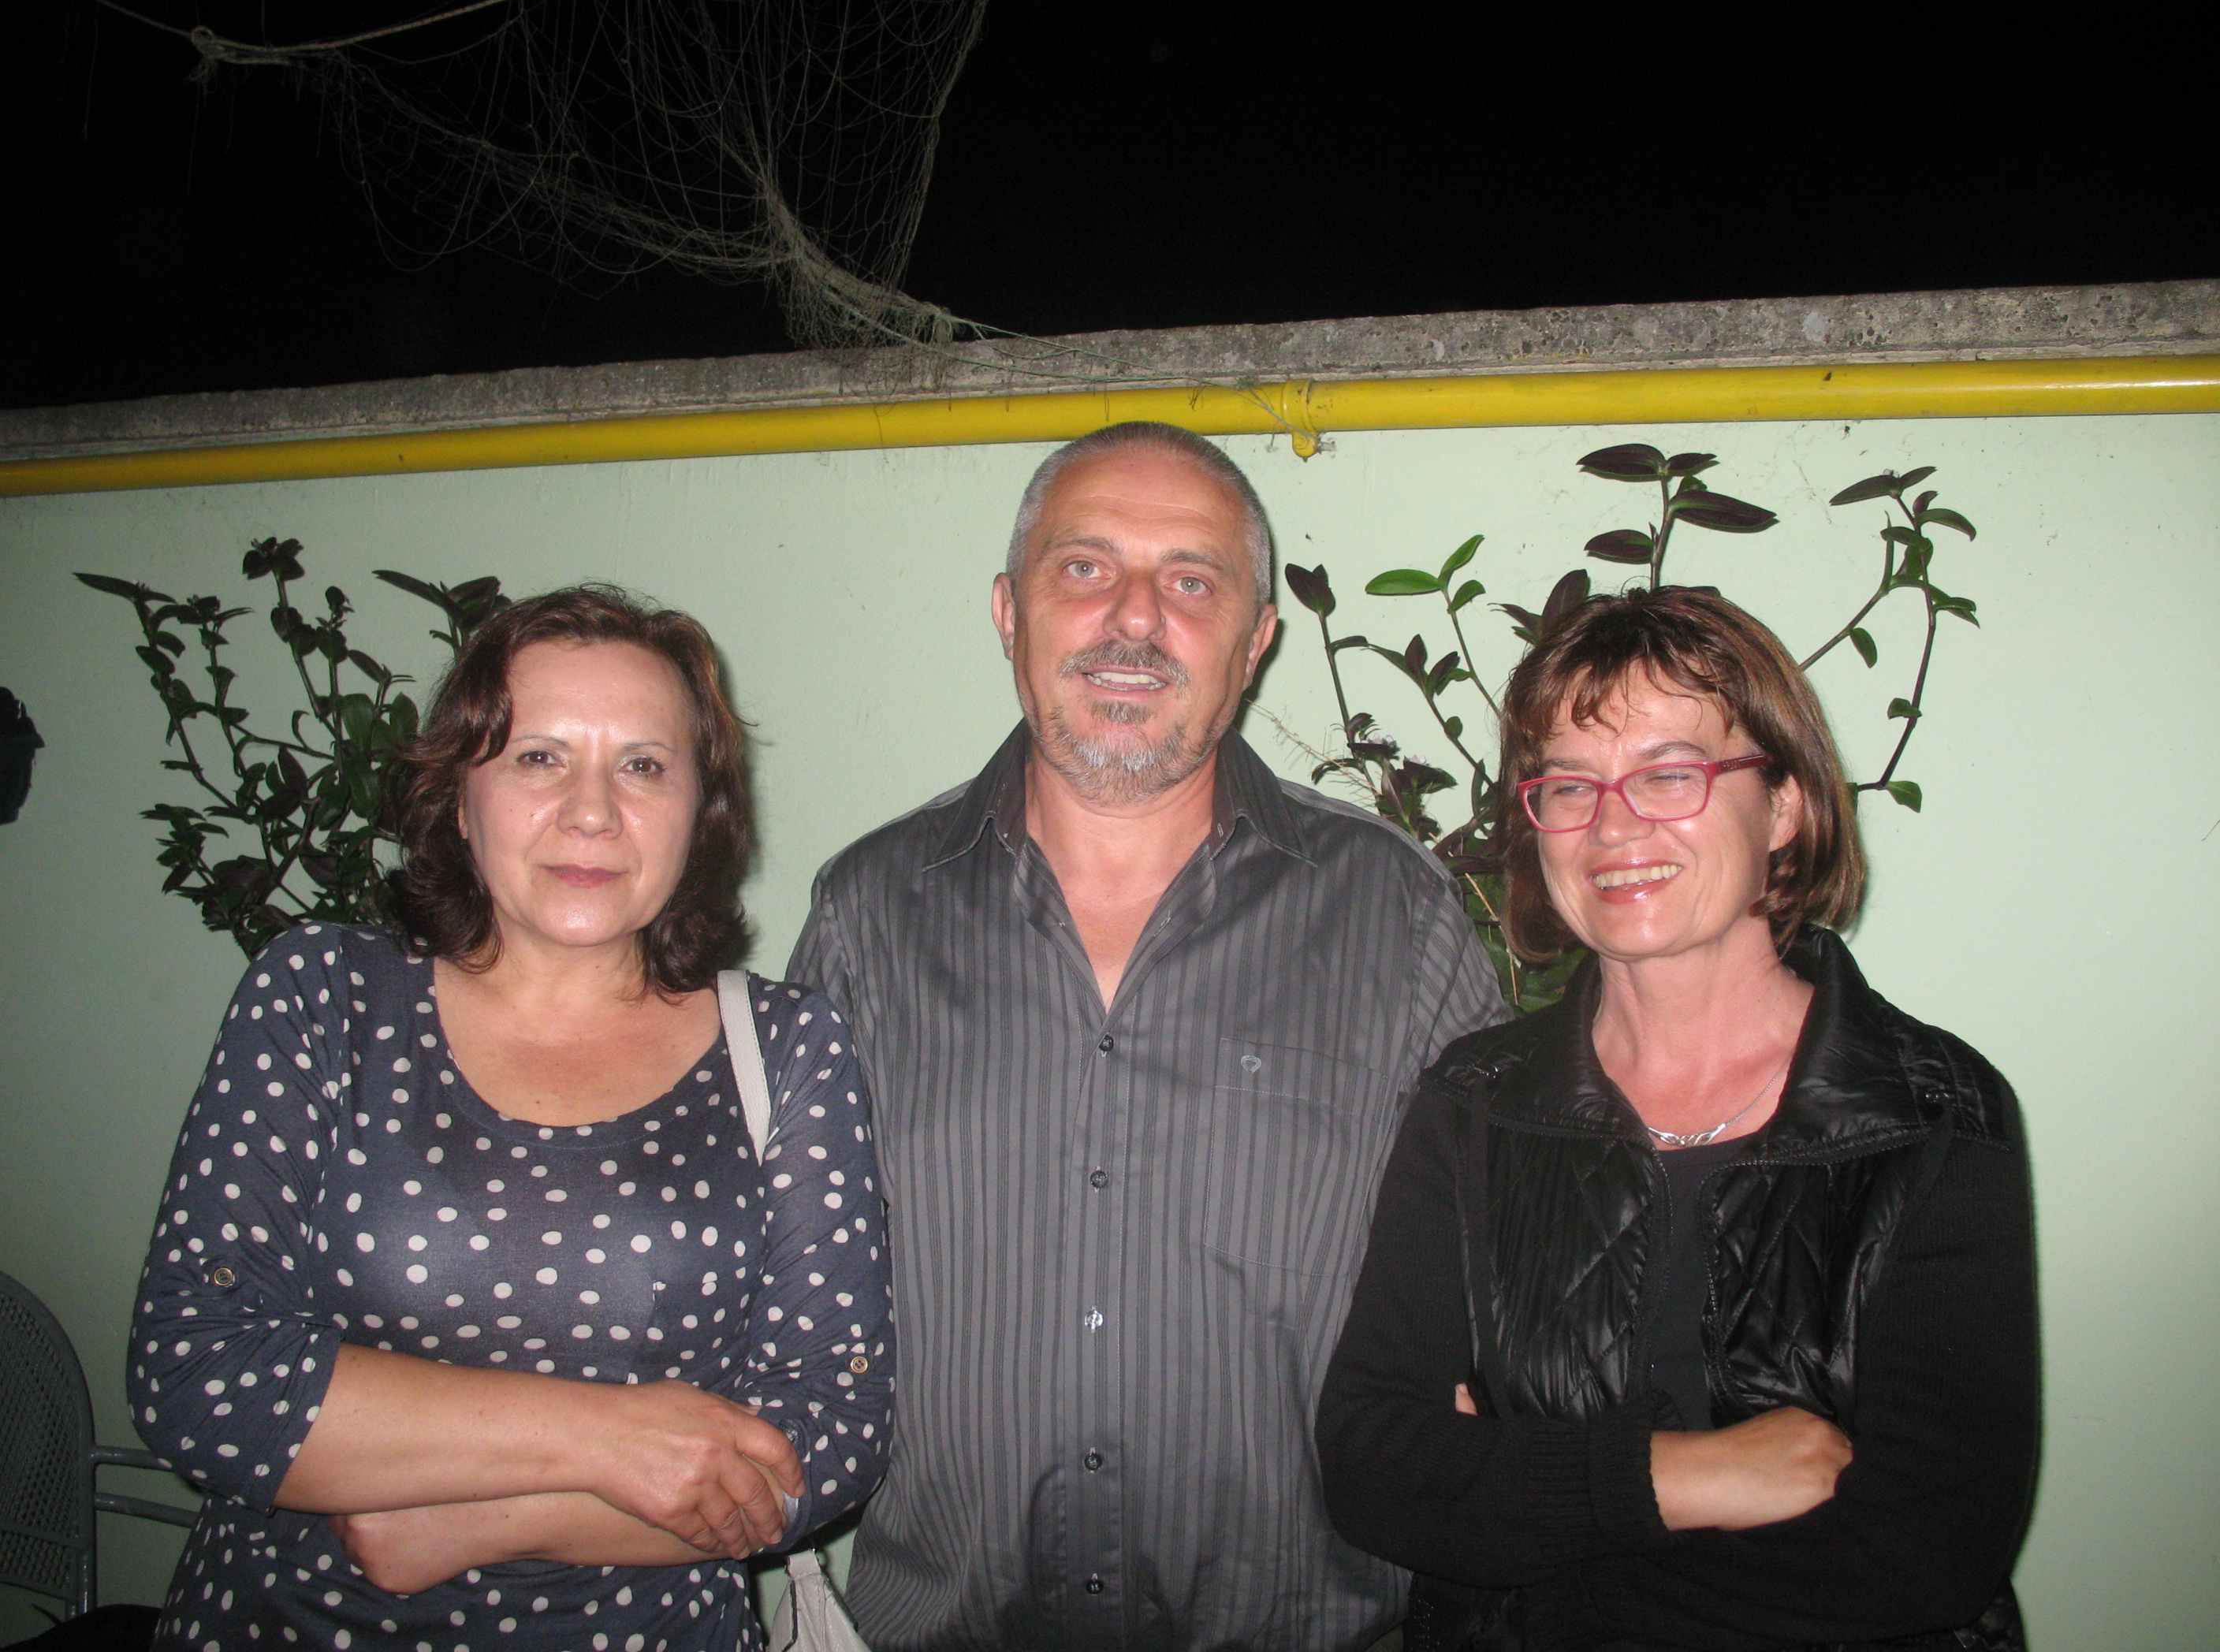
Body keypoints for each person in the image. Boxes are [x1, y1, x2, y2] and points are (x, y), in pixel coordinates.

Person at [787, 420, 1507, 1651]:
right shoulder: (868, 915)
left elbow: (1499, 1276)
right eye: (1085, 568)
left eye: (1190, 581)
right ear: (1008, 612)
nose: (1133, 618)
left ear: (1256, 640)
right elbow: (789, 1283)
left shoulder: (1394, 915)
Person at [130, 586, 893, 1652]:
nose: (592, 812)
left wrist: (483, 1520)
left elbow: (832, 1430)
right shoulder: (323, 996)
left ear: (701, 811)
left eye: (643, 765)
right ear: (459, 797)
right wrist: (610, 1438)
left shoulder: (786, 1047)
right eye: (539, 757)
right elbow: (201, 1373)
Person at [1316, 586, 2039, 1650]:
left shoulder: (1932, 1113)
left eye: (1669, 774)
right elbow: (1375, 1469)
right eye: (1571, 784)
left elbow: (1925, 1553)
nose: (1613, 828)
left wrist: (1523, 1523)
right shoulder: (1474, 1105)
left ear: (1785, 806)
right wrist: (1687, 1477)